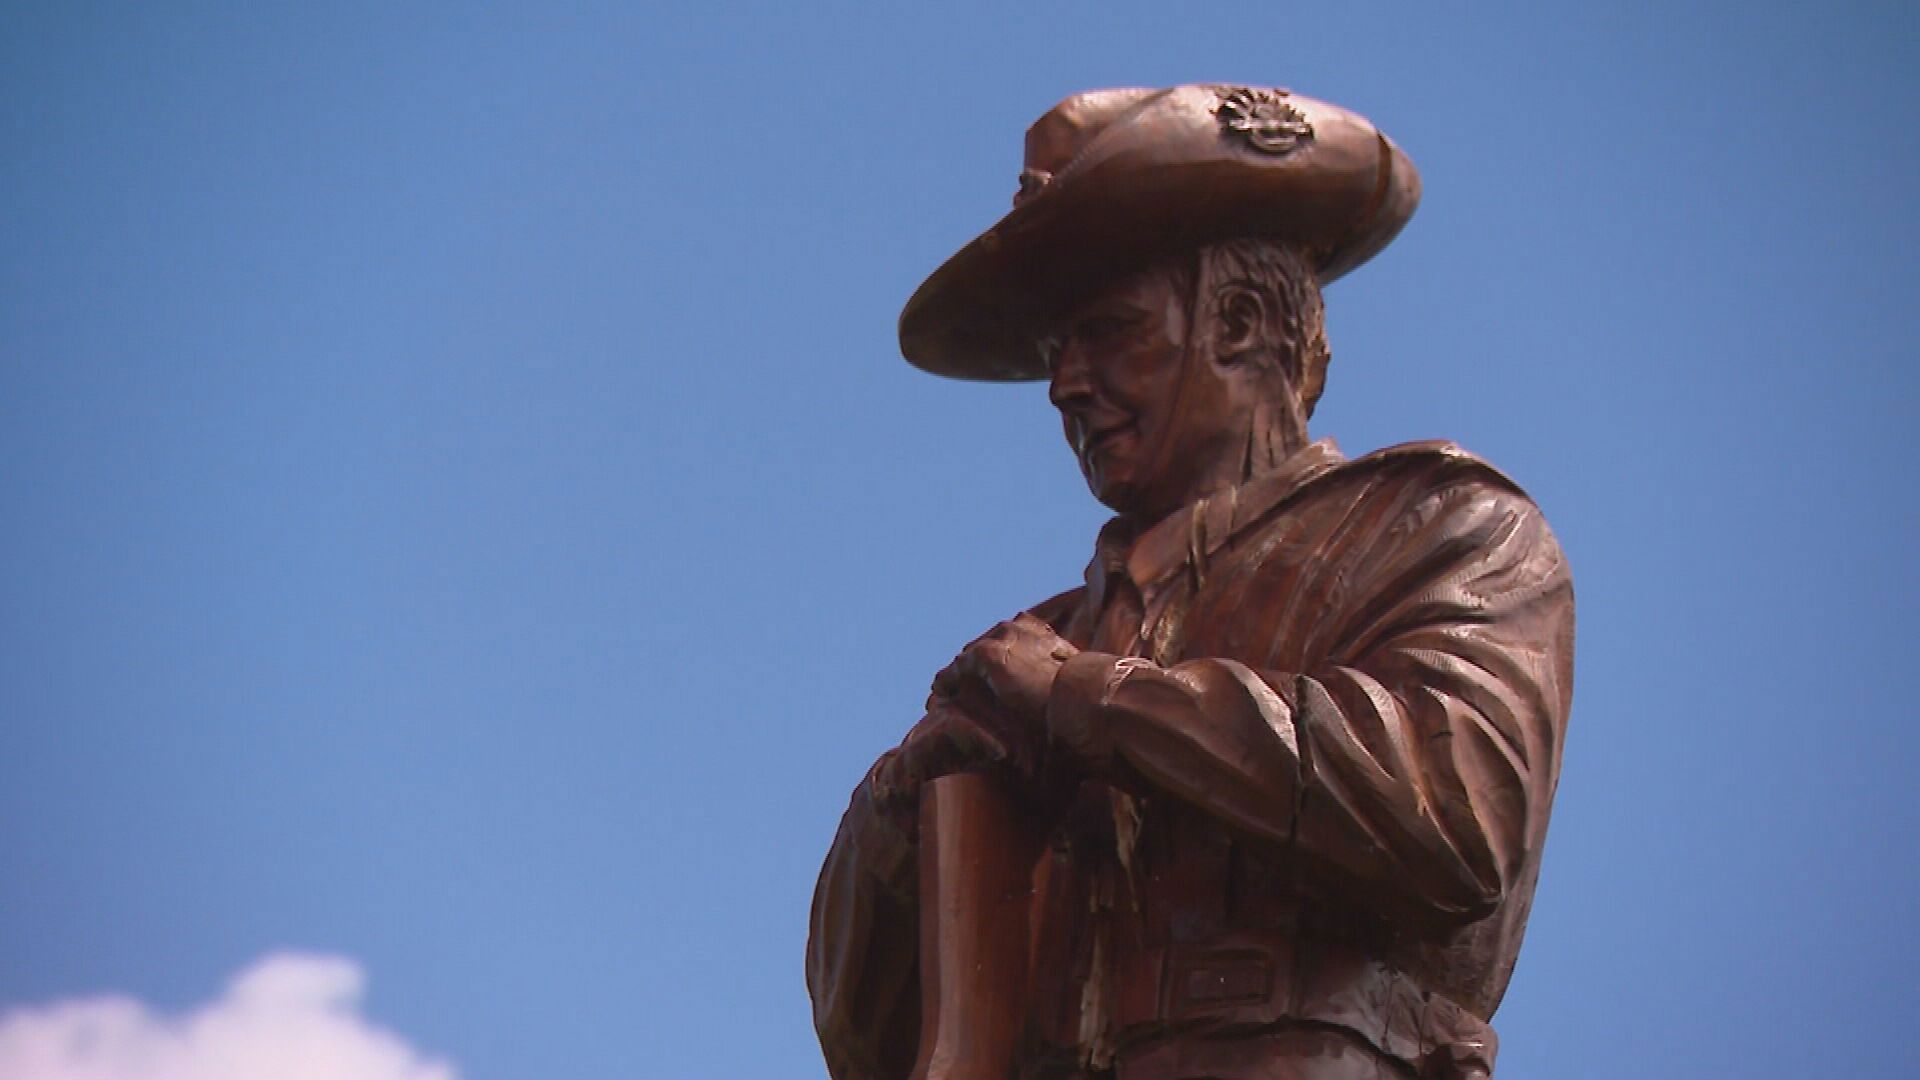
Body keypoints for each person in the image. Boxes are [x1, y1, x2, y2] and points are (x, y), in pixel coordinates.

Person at [808, 84, 1574, 1080]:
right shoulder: (1030, 650)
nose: (1064, 385)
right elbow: (863, 1040)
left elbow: (1455, 812)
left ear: (1244, 322)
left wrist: (1092, 701)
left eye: (1110, 332)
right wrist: (902, 811)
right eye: (1054, 351)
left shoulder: (1441, 531)